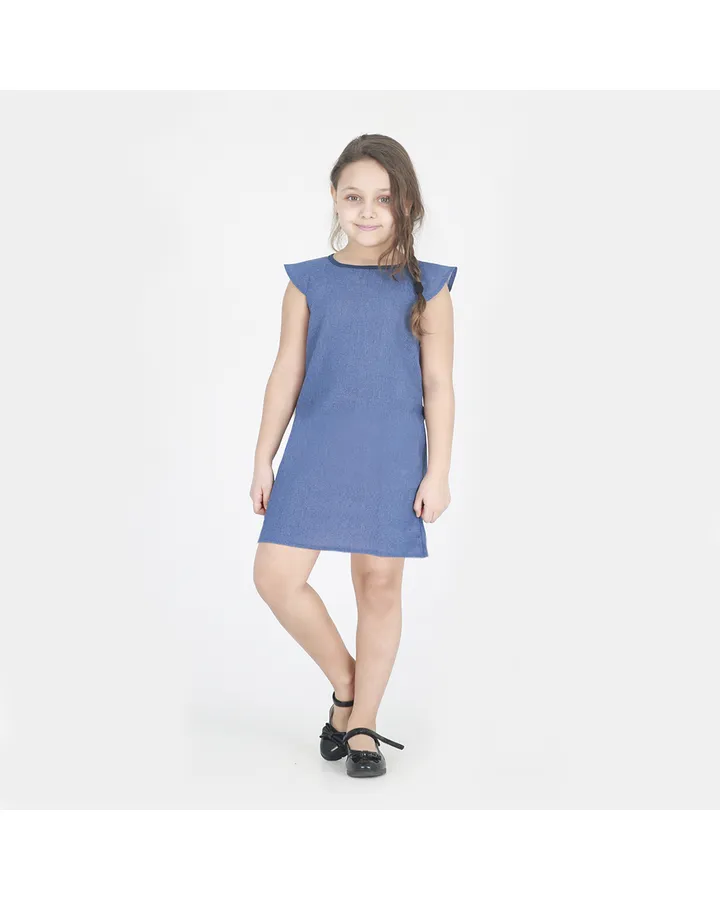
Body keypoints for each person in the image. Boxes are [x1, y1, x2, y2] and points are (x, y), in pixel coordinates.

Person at [250, 133, 457, 778]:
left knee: (379, 586)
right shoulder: (308, 283)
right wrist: (263, 458)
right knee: (275, 577)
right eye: (353, 197)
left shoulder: (429, 287)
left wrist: (439, 471)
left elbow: (438, 384)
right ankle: (347, 682)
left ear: (406, 204)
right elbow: (286, 372)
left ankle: (363, 722)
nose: (367, 211)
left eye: (383, 199)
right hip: (317, 449)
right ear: (335, 200)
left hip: (391, 454)